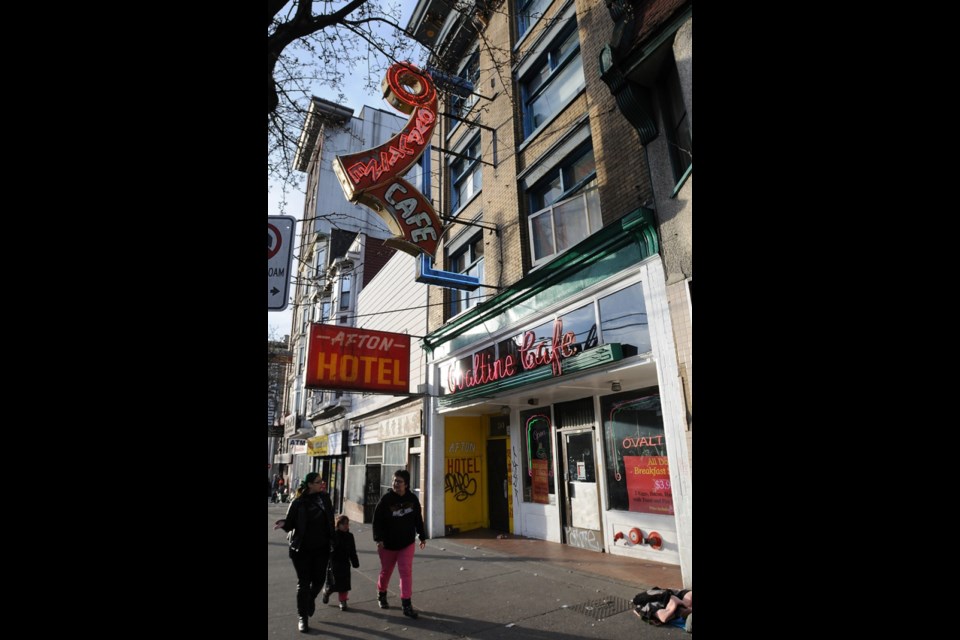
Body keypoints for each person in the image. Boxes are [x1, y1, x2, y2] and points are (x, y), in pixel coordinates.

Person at [273, 472, 335, 633]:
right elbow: (291, 523)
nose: (322, 484)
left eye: (322, 481)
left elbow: (330, 521)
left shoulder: (325, 499)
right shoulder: (298, 502)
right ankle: (303, 617)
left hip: (321, 548)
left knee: (319, 580)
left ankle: (310, 600)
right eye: (318, 482)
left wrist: (334, 540)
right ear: (309, 485)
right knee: (304, 583)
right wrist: (283, 523)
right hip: (302, 549)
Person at [372, 469, 426, 619]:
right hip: (388, 544)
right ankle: (381, 593)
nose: (396, 484)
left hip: (407, 543)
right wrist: (378, 539)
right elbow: (377, 521)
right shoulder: (386, 500)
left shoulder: (412, 499)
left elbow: (418, 519)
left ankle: (406, 604)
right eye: (394, 481)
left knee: (406, 571)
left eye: (399, 481)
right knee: (386, 571)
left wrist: (422, 536)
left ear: (406, 484)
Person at [320, 515, 360, 611]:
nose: (346, 526)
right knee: (332, 585)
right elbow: (326, 550)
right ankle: (326, 592)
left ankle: (343, 601)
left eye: (347, 524)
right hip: (333, 564)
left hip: (345, 563)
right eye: (343, 524)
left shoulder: (350, 536)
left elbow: (352, 551)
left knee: (344, 585)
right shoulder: (333, 536)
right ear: (338, 525)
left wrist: (355, 561)